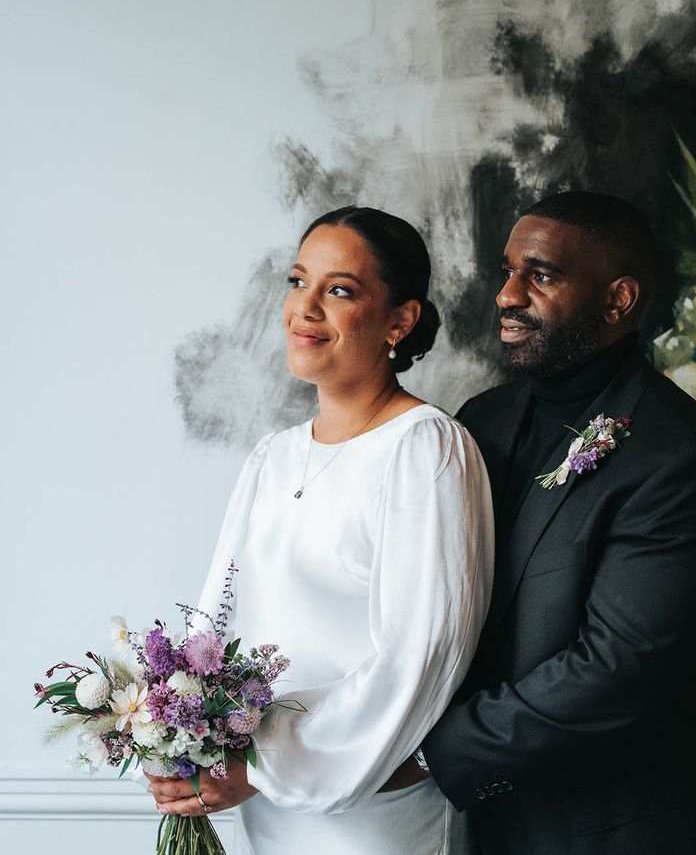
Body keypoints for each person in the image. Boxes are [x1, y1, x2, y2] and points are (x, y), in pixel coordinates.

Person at [147, 206, 495, 855]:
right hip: (261, 807)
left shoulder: (426, 451)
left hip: (374, 812)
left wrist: (265, 766)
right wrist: (176, 731)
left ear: (401, 319)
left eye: (339, 290)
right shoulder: (271, 458)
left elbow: (416, 661)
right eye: (298, 281)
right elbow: (212, 627)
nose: (304, 307)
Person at [422, 191, 696, 854]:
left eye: (542, 274)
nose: (506, 294)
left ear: (619, 301)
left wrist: (435, 751)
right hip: (479, 823)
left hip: (609, 829)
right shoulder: (481, 419)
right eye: (508, 270)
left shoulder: (676, 457)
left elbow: (620, 667)